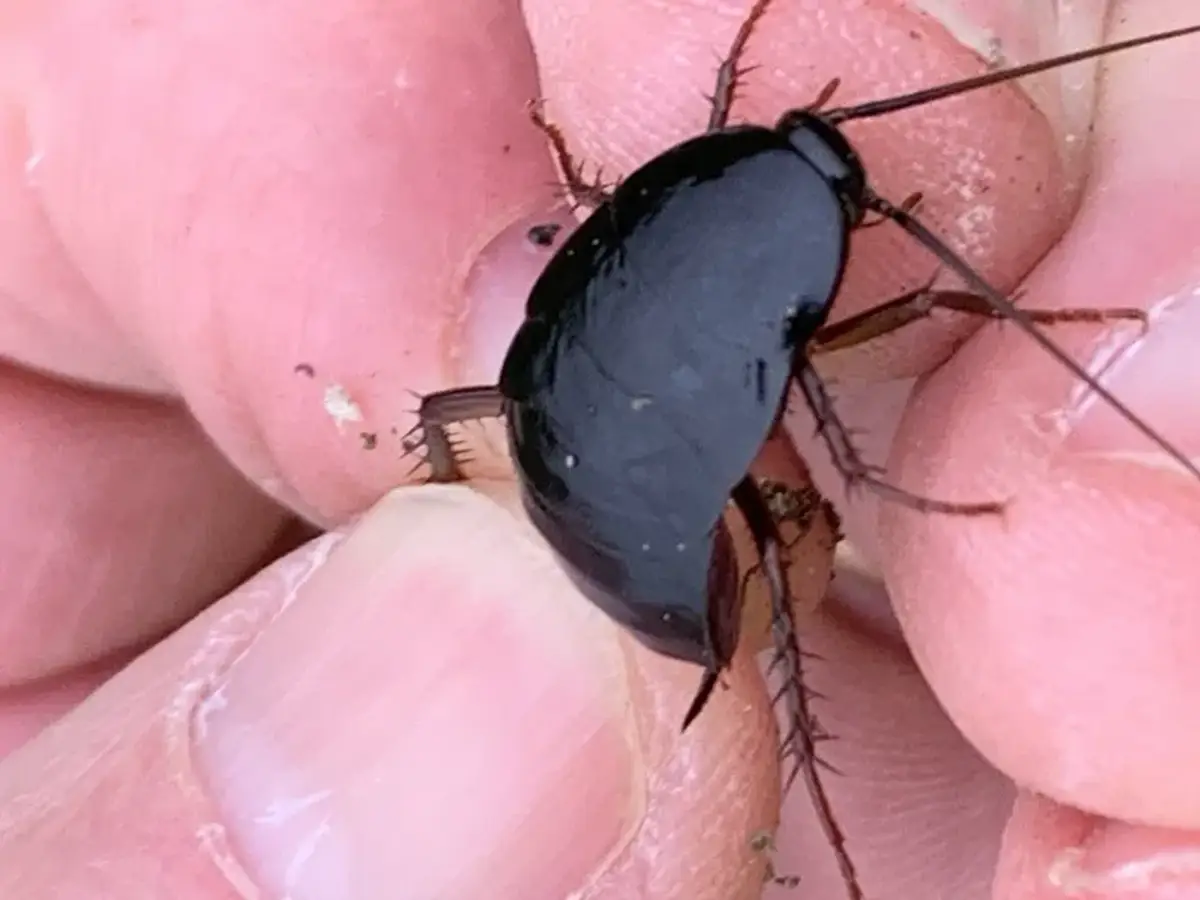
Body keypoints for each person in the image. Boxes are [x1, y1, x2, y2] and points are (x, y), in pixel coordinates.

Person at [1, 0, 1197, 897]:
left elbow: (736, 314)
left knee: (761, 522)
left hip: (579, 458)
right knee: (775, 537)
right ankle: (813, 790)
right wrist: (880, 483)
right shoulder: (772, 256)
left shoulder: (711, 181)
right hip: (604, 484)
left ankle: (816, 787)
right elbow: (788, 357)